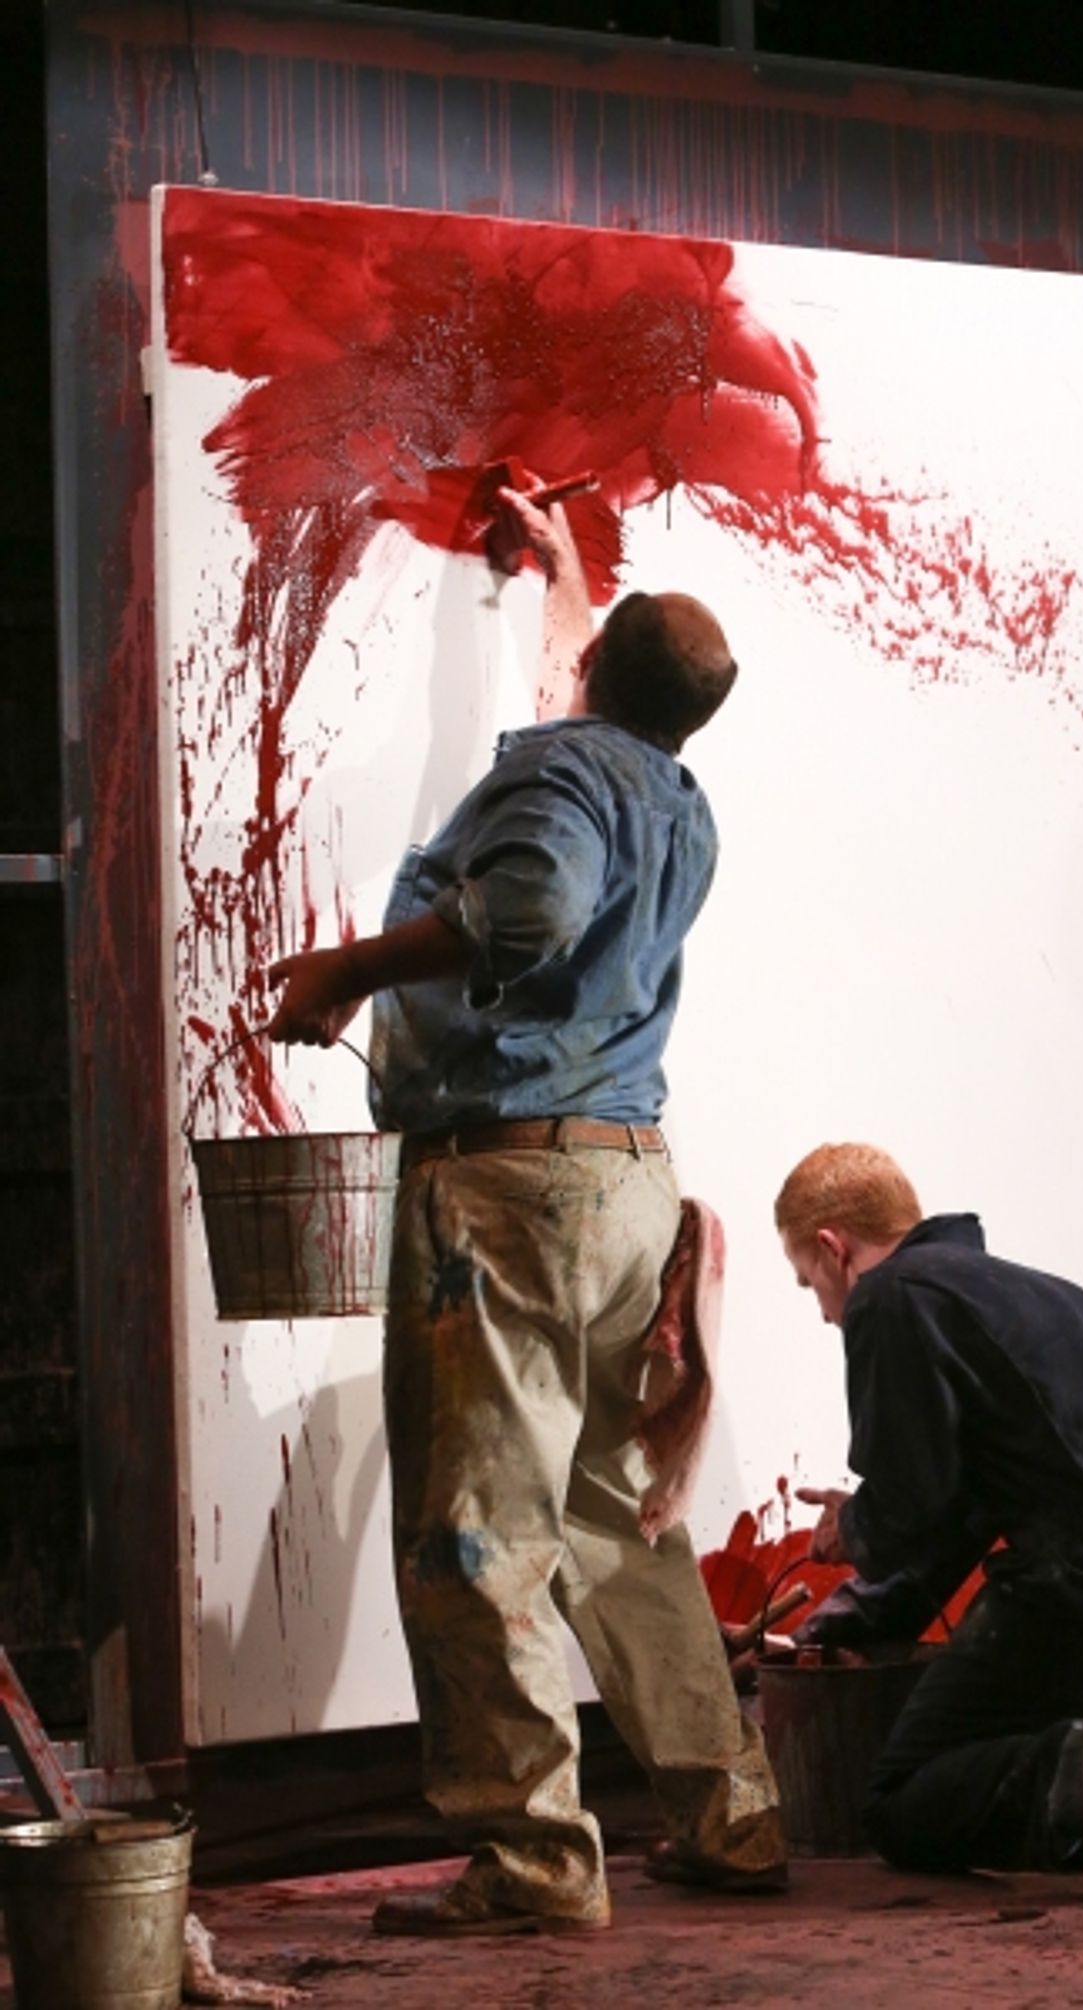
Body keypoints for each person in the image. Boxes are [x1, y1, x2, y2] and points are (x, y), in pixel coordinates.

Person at [265, 490, 785, 1936]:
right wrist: (565, 580)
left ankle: (536, 1862)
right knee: (619, 1519)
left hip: (509, 1187)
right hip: (626, 1181)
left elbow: (526, 915)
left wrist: (345, 972)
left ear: (603, 671)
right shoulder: (669, 788)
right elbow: (595, 709)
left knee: (477, 1538)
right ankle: (728, 1810)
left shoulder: (561, 778)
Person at [775, 1141, 1083, 1898]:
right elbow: (961, 1505)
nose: (820, 1310)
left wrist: (857, 1529)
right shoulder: (1007, 1289)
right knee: (1033, 1707)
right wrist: (854, 1617)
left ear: (832, 1248)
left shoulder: (891, 1296)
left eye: (809, 1282)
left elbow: (911, 1503)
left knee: (897, 1801)